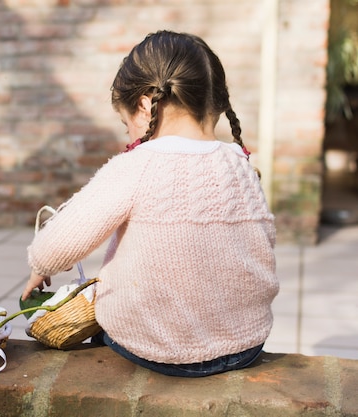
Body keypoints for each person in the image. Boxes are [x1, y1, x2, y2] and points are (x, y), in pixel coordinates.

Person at [21, 30, 279, 377]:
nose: (129, 135)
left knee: (106, 315)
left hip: (157, 348)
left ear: (144, 105)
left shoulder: (138, 165)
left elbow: (59, 244)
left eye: (125, 123)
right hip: (246, 344)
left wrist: (41, 265)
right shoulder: (241, 164)